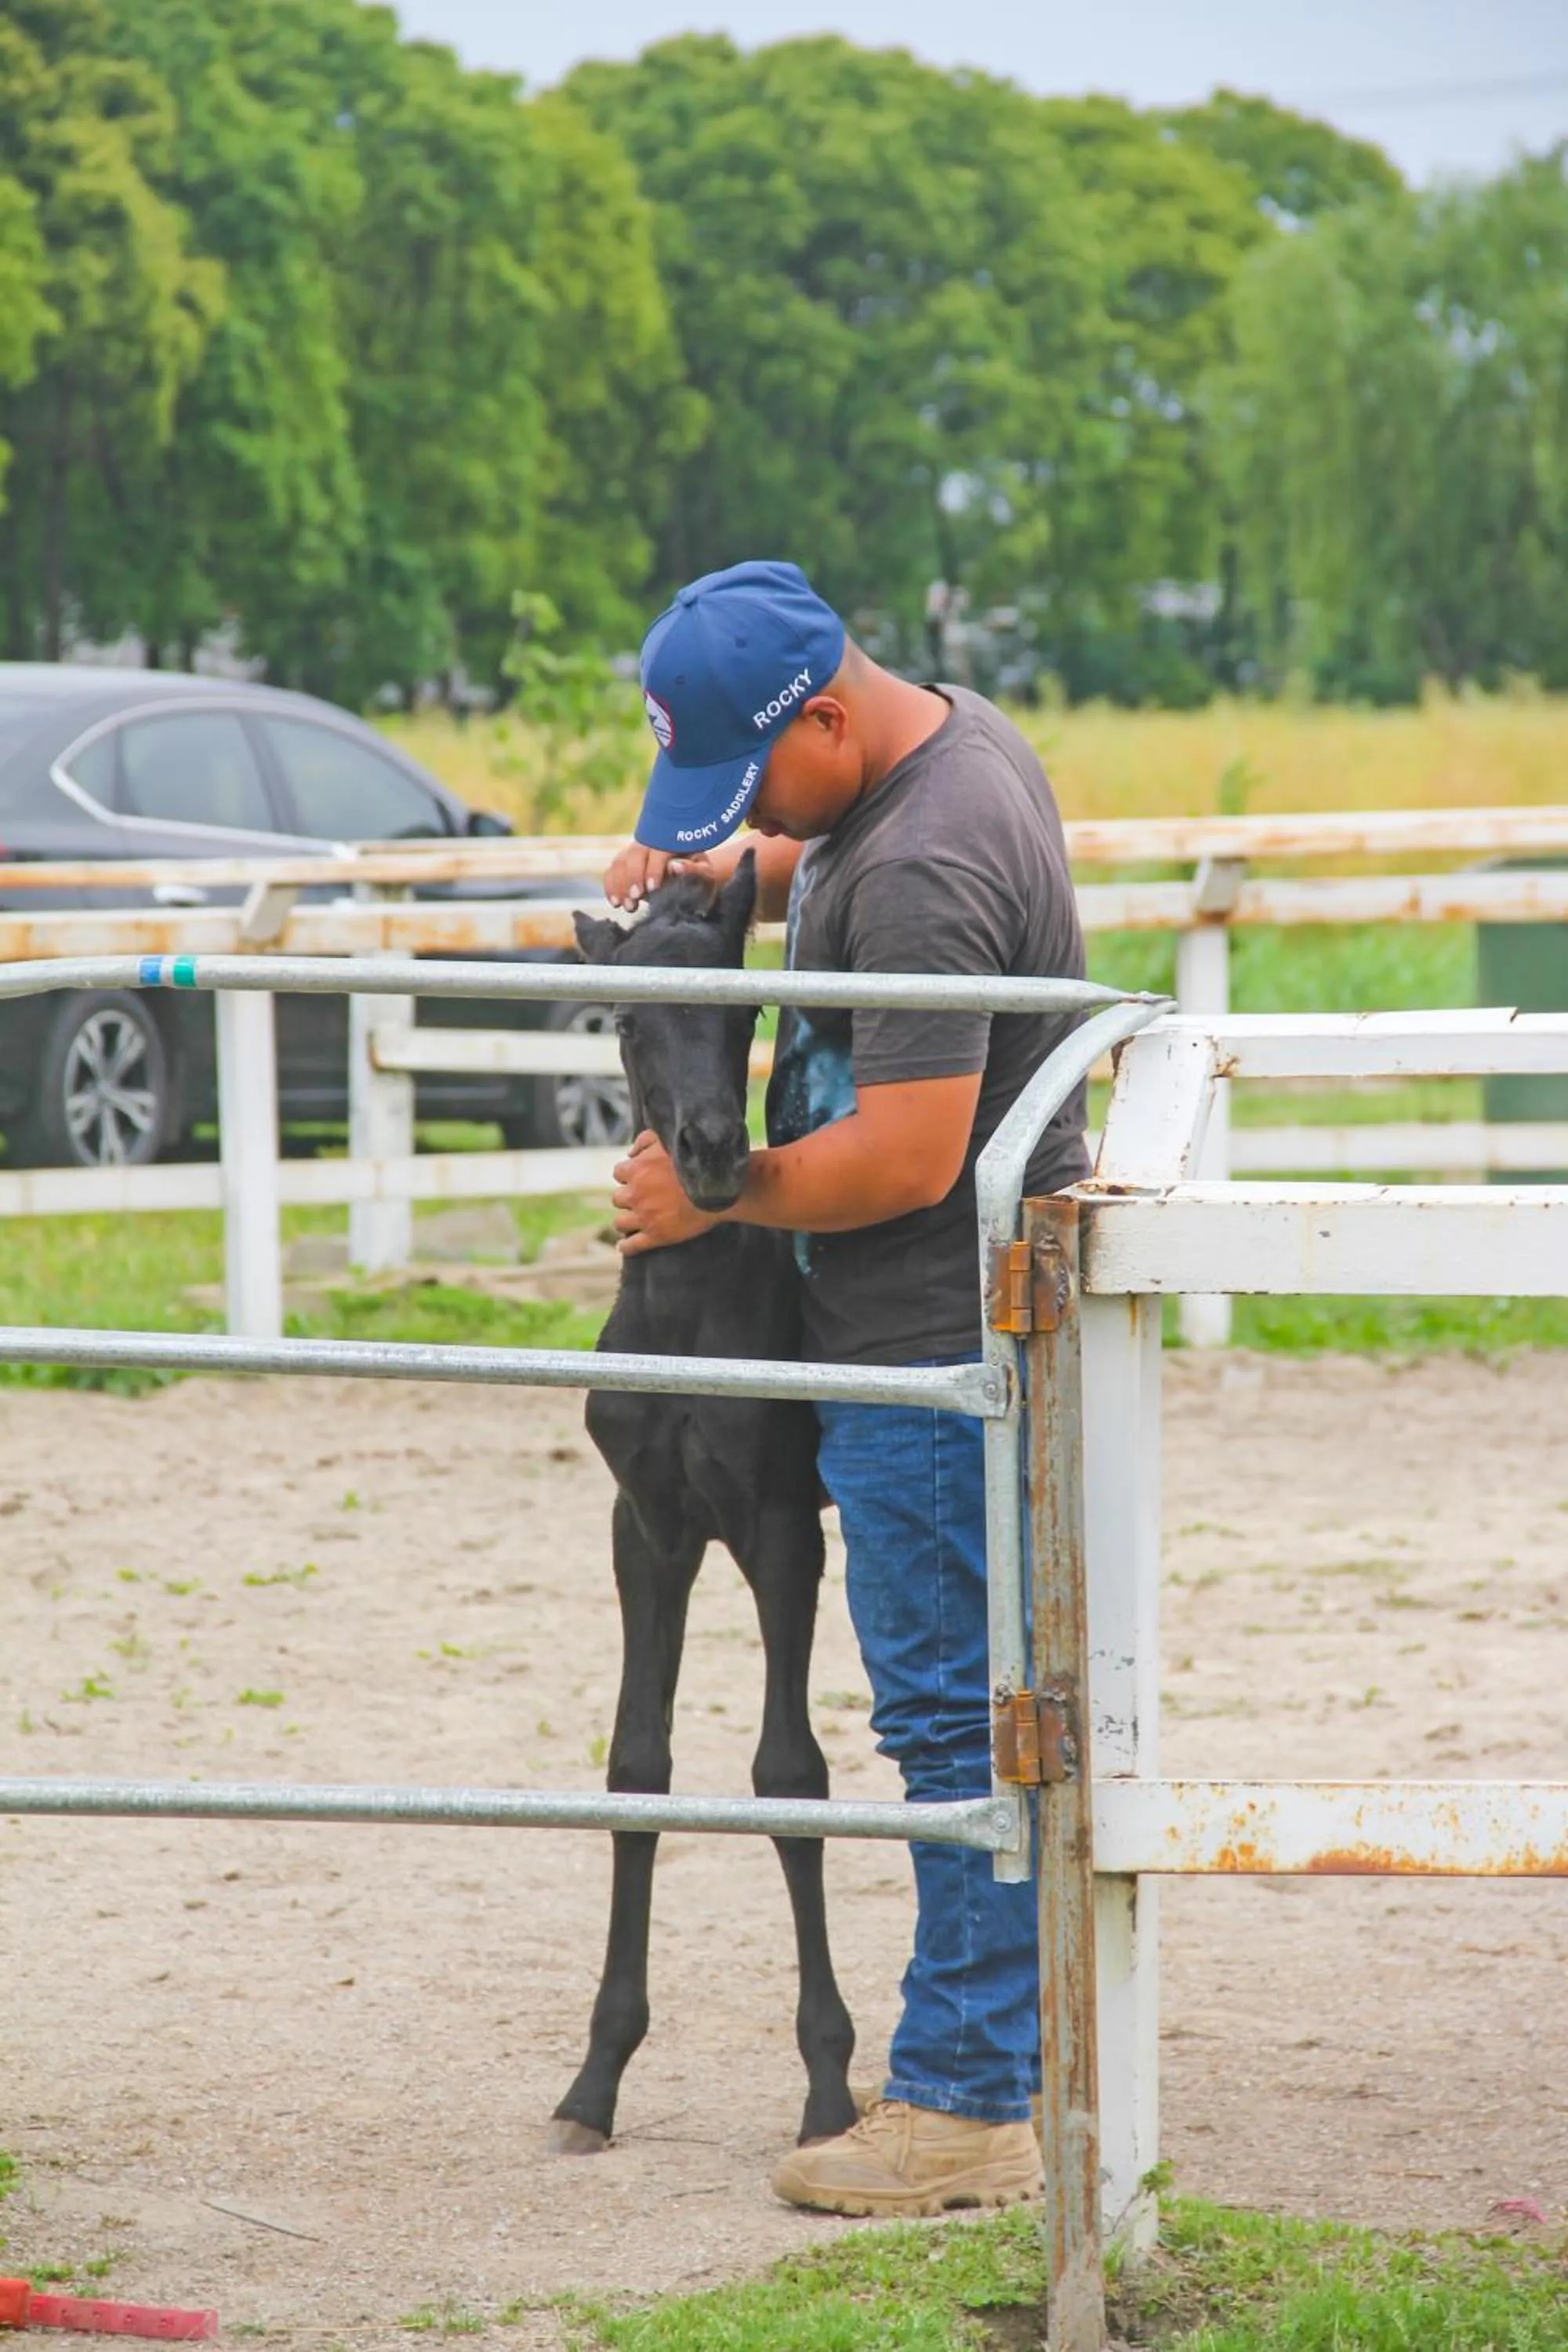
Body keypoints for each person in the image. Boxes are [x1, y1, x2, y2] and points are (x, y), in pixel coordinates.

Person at [601, 559, 1088, 2219]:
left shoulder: (931, 856)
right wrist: (730, 854)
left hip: (924, 1335)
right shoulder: (934, 754)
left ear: (825, 712)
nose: (751, 823)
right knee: (967, 1700)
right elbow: (822, 834)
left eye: (755, 782)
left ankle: (962, 2102)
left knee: (951, 1715)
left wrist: (709, 1197)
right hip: (907, 1328)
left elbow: (902, 1154)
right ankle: (1004, 2053)